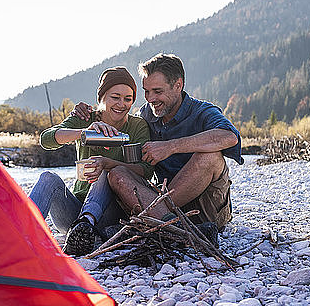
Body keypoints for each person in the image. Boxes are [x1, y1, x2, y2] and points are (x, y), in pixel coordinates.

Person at [73, 53, 243, 245]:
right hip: (160, 202)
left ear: (178, 85)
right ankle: (178, 230)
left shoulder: (203, 111)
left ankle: (155, 227)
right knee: (117, 173)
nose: (150, 98)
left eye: (157, 91)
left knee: (210, 156)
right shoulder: (146, 114)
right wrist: (88, 114)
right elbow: (121, 121)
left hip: (205, 208)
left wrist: (171, 147)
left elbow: (230, 136)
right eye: (147, 91)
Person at [29, 66, 153, 256]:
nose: (121, 104)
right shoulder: (85, 117)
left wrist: (108, 163)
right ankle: (20, 232)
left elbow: (146, 170)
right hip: (73, 212)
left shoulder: (136, 126)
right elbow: (46, 139)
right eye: (115, 97)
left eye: (128, 99)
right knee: (48, 178)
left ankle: (86, 225)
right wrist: (83, 133)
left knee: (106, 172)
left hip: (111, 214)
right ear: (101, 97)